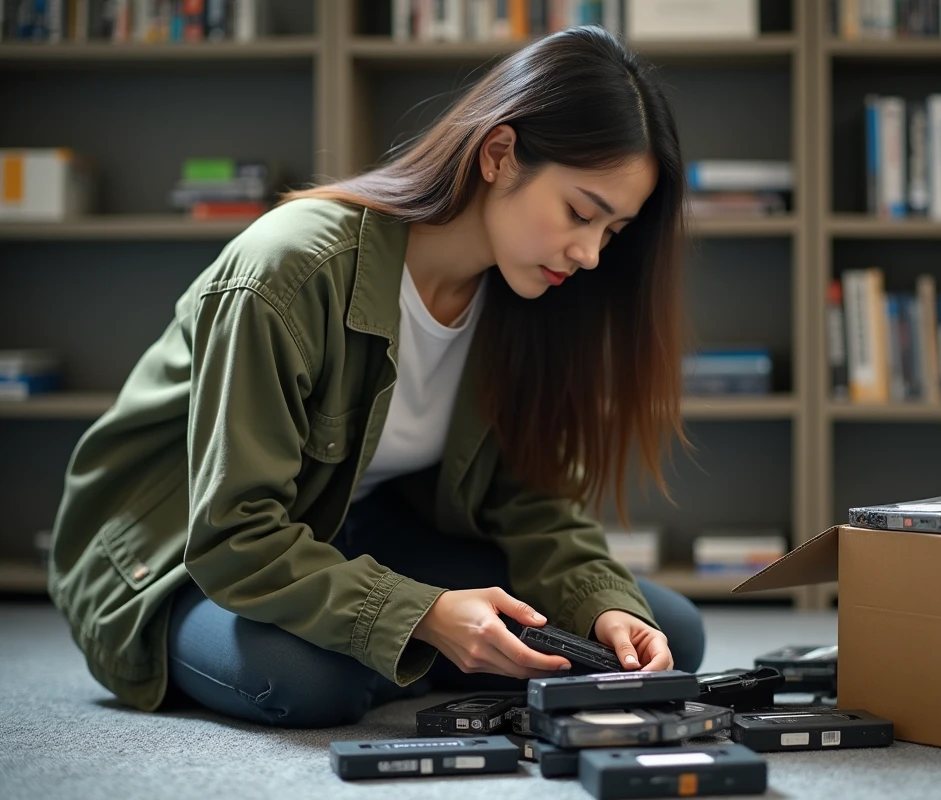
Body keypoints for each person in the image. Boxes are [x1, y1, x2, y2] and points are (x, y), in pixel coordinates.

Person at [47, 25, 706, 729]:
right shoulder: (290, 270)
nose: (590, 253)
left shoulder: (530, 297)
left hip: (348, 533)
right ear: (500, 154)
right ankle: (409, 650)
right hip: (176, 560)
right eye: (581, 212)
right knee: (309, 683)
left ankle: (411, 652)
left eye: (612, 232)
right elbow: (233, 537)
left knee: (659, 634)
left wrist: (604, 605)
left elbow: (534, 503)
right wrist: (421, 613)